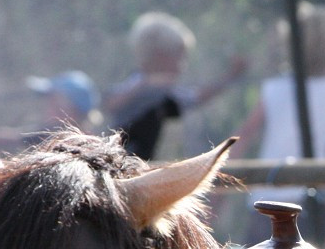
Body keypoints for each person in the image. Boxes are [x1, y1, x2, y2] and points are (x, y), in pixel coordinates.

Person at [234, 1, 325, 247]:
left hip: (268, 194)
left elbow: (244, 135)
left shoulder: (274, 88)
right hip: (318, 198)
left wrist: (223, 181)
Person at [103, 11, 247, 160]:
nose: (182, 67)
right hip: (120, 165)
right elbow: (111, 104)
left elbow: (194, 98)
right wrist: (146, 85)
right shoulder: (142, 86)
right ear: (159, 54)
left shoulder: (161, 92)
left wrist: (230, 77)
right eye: (179, 57)